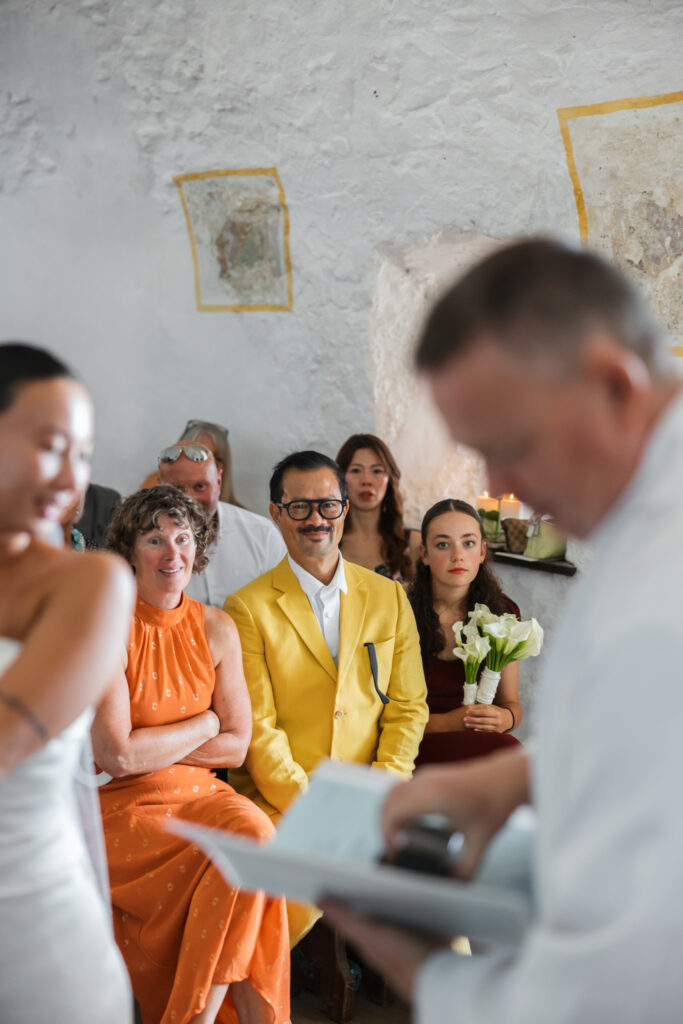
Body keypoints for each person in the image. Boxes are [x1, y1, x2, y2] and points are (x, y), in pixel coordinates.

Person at [322, 238, 683, 1022]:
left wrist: (421, 966)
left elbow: (615, 992)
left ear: (613, 386)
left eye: (508, 447)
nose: (497, 491)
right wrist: (515, 780)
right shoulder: (641, 525)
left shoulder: (659, 595)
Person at [92, 485, 290, 1024]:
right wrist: (204, 721)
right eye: (155, 539)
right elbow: (118, 756)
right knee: (234, 868)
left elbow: (239, 743)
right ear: (130, 550)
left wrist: (155, 742)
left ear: (197, 548)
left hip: (203, 794)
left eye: (182, 538)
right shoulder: (107, 625)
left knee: (254, 840)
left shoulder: (217, 627)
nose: (171, 553)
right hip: (122, 809)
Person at [224, 450, 429, 944]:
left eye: (328, 506)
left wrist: (375, 797)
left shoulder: (389, 597)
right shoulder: (247, 607)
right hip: (285, 800)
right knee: (280, 913)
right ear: (276, 513)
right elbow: (259, 730)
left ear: (344, 509)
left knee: (445, 901)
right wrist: (319, 809)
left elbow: (407, 709)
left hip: (373, 798)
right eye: (300, 507)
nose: (316, 519)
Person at [0, 342, 135, 1024]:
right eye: (52, 445)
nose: (70, 479)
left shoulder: (90, 584)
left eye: (83, 455)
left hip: (28, 938)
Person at [408, 498, 521, 765]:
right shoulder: (399, 608)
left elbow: (511, 704)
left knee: (513, 754)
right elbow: (378, 713)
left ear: (482, 551)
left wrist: (505, 718)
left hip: (475, 738)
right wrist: (448, 722)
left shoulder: (503, 613)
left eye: (468, 543)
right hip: (412, 739)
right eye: (443, 544)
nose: (457, 555)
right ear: (424, 554)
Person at [158, 442, 285, 607]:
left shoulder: (262, 534)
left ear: (218, 481)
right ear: (160, 486)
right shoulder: (142, 542)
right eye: (177, 488)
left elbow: (285, 608)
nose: (189, 499)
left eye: (200, 486)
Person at [336, 432, 420, 582]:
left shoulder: (412, 544)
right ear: (340, 478)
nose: (367, 481)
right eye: (355, 470)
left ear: (389, 479)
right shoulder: (328, 542)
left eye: (377, 471)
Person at [142, 419, 244, 506]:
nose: (206, 465)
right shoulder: (152, 489)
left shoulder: (245, 522)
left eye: (215, 459)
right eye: (196, 456)